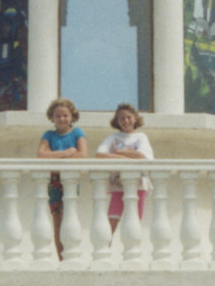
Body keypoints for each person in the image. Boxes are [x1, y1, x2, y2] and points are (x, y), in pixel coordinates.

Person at [37, 98, 87, 256]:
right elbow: (41, 154)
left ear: (72, 116)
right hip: (54, 181)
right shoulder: (49, 135)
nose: (62, 119)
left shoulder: (77, 132)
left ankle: (71, 254)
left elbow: (82, 155)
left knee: (69, 215)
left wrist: (54, 157)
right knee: (56, 219)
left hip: (70, 180)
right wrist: (65, 153)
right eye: (58, 116)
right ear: (52, 117)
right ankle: (61, 256)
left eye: (65, 115)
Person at [96, 103, 153, 233]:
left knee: (135, 221)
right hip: (118, 184)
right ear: (117, 121)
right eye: (122, 118)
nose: (126, 121)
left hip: (139, 184)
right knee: (112, 220)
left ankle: (134, 252)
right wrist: (125, 158)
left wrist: (119, 152)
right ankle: (106, 250)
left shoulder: (141, 137)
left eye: (129, 117)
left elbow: (143, 157)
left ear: (135, 118)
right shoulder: (113, 137)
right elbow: (100, 154)